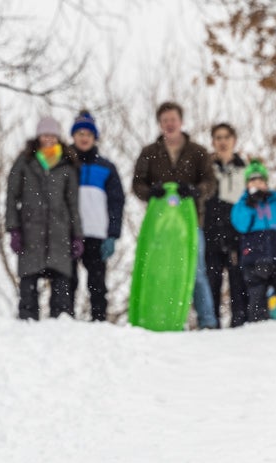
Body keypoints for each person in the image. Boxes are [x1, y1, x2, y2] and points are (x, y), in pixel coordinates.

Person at [132, 101, 217, 329]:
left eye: (173, 119)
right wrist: (151, 192)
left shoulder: (197, 152)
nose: (170, 124)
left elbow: (210, 181)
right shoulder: (149, 153)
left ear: (181, 121)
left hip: (190, 223)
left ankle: (207, 321)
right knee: (161, 270)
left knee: (195, 270)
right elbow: (137, 184)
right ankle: (161, 318)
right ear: (160, 124)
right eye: (165, 120)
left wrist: (196, 191)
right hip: (159, 226)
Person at [5, 116, 83, 320]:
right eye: (45, 134)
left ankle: (60, 327)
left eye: (52, 135)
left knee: (61, 291)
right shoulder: (25, 161)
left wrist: (77, 235)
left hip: (59, 232)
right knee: (28, 288)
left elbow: (73, 203)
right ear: (39, 136)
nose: (48, 139)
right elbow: (12, 196)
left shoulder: (67, 164)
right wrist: (14, 228)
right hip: (31, 230)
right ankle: (26, 325)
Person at [68, 110, 125, 322]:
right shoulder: (64, 165)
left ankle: (99, 320)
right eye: (80, 133)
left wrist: (113, 234)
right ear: (73, 136)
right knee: (68, 281)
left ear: (94, 138)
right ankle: (65, 320)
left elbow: (117, 202)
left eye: (88, 134)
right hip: (69, 232)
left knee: (97, 283)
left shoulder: (107, 168)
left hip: (97, 233)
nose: (84, 138)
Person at [230, 160, 276, 323]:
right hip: (253, 261)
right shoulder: (242, 205)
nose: (257, 184)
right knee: (257, 298)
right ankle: (258, 327)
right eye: (253, 181)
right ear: (247, 184)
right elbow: (240, 225)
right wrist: (250, 204)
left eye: (260, 181)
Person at [204, 124, 248, 328]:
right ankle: (211, 324)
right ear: (213, 142)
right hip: (210, 232)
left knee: (238, 282)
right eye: (218, 138)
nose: (222, 142)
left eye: (226, 137)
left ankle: (240, 324)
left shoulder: (244, 170)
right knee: (211, 281)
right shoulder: (206, 170)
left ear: (234, 140)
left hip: (236, 234)